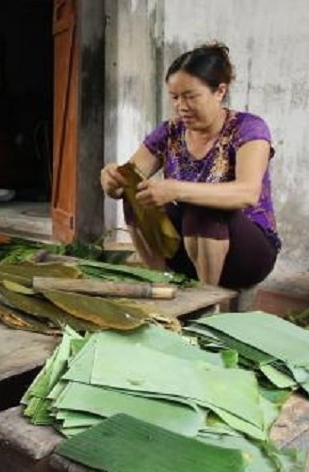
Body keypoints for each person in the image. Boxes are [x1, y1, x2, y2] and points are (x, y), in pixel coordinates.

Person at [100, 43, 280, 289]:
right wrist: (112, 181)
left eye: (191, 96)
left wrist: (176, 189)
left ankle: (207, 302)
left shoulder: (249, 129)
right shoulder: (170, 132)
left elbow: (248, 193)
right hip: (188, 248)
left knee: (202, 209)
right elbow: (126, 181)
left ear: (220, 91)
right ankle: (160, 282)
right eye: (175, 97)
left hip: (247, 254)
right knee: (136, 196)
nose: (181, 106)